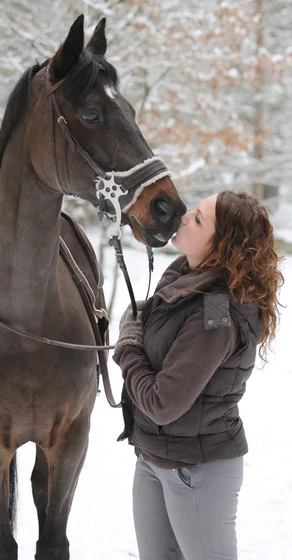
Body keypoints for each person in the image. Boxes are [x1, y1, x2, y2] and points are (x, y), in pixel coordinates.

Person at [113, 190, 284, 560]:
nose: (184, 216)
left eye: (199, 219)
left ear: (221, 247)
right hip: (153, 457)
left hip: (197, 469)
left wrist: (127, 347)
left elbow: (163, 402)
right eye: (195, 209)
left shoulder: (217, 313)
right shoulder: (183, 274)